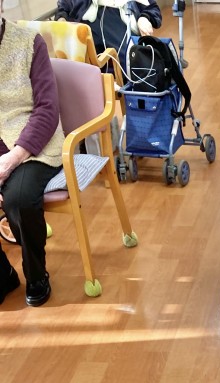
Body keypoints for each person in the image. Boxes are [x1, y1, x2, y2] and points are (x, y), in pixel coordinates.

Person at [0, 3, 64, 307]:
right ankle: (2, 275)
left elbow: (47, 110)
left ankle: (36, 275)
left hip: (34, 144)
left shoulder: (29, 43)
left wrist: (12, 158)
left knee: (19, 198)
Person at [55, 0, 162, 71]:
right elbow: (64, 7)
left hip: (120, 24)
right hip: (87, 28)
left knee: (136, 65)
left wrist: (145, 17)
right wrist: (61, 18)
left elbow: (152, 8)